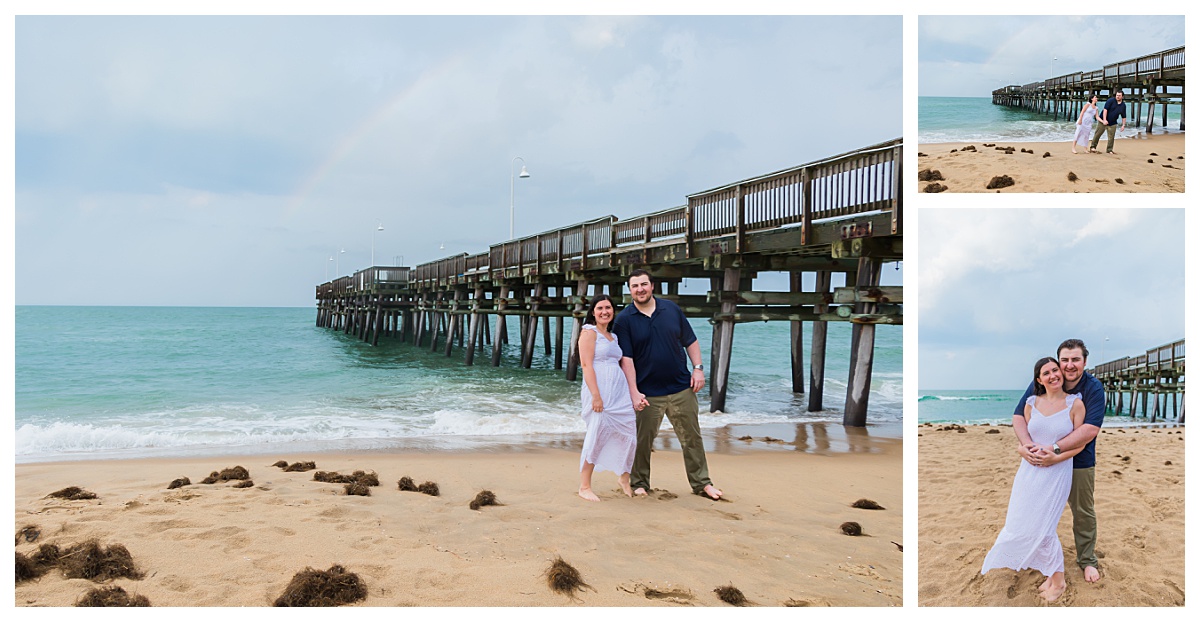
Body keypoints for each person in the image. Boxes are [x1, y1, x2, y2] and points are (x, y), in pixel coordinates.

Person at [982, 357, 1086, 602]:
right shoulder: (1030, 403)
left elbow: (1080, 444)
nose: (1053, 375)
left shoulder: (1075, 404)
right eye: (1046, 373)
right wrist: (1022, 449)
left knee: (1046, 525)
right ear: (1039, 380)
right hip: (1028, 472)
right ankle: (1050, 573)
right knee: (1020, 519)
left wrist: (1055, 457)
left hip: (1057, 471)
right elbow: (1025, 437)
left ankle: (1058, 581)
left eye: (1055, 370)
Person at [612, 269, 722, 500]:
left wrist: (698, 369)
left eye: (644, 284)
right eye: (635, 286)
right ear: (630, 290)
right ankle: (639, 483)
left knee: (692, 438)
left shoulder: (671, 309)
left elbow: (690, 340)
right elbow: (627, 360)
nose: (640, 289)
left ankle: (702, 483)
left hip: (681, 387)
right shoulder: (624, 320)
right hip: (647, 392)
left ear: (652, 286)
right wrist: (633, 392)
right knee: (642, 441)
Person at [1012, 339, 1105, 584]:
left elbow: (1090, 429)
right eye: (1065, 360)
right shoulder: (1044, 383)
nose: (1069, 365)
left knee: (1083, 511)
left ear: (1085, 361)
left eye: (1075, 359)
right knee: (1036, 511)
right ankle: (1036, 556)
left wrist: (1055, 449)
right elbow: (1019, 416)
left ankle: (1087, 560)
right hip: (1042, 461)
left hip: (1079, 461)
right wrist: (1025, 446)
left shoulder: (1093, 388)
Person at [576, 294, 640, 501]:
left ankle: (624, 477)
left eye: (608, 308)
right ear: (593, 312)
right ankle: (584, 486)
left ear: (613, 311)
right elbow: (586, 365)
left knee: (629, 432)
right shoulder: (589, 332)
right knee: (597, 434)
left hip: (618, 394)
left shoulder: (614, 337)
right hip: (599, 391)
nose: (605, 312)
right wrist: (596, 395)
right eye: (600, 308)